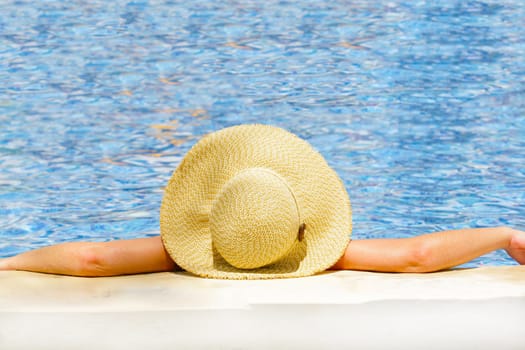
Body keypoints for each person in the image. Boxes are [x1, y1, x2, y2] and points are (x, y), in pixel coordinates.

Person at [1, 125, 524, 278]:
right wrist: (503, 237)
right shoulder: (331, 259)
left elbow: (92, 258)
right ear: (302, 228)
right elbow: (418, 255)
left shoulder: (175, 258)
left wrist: (10, 263)